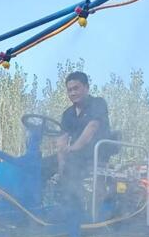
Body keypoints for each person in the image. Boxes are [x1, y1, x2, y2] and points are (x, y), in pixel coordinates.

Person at [42, 71, 111, 207]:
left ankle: (74, 212)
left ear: (86, 87)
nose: (72, 93)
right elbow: (62, 139)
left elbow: (92, 128)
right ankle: (39, 208)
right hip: (74, 155)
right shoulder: (68, 114)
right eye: (69, 90)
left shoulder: (98, 103)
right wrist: (61, 163)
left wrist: (73, 148)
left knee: (71, 167)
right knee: (40, 166)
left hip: (96, 154)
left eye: (76, 88)